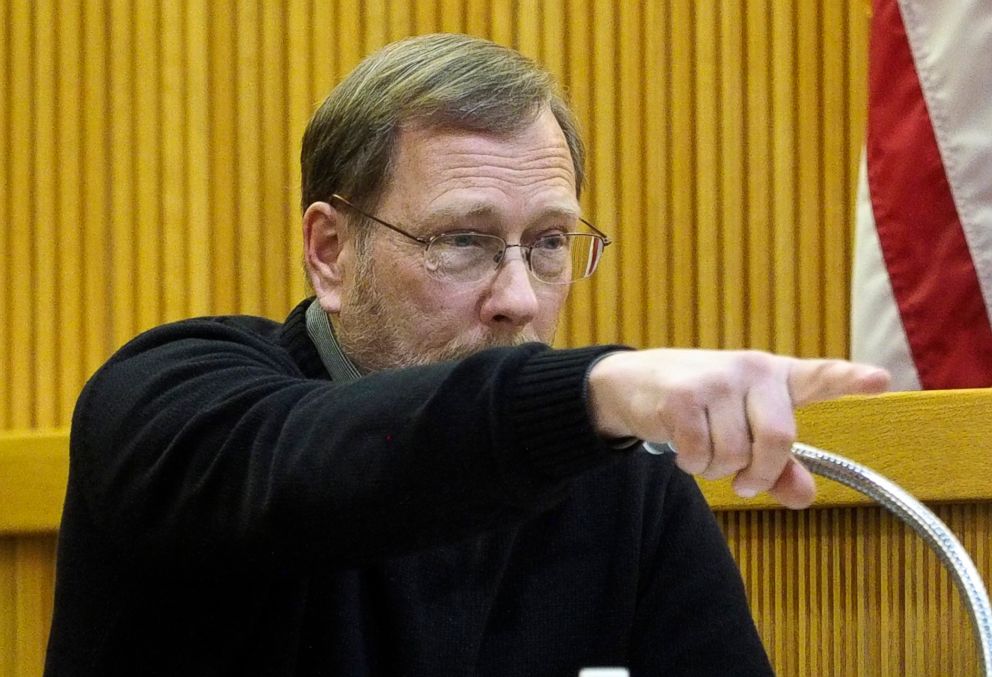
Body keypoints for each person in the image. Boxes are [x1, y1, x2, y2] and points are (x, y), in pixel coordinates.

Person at [45, 34, 888, 676]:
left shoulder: (625, 483)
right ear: (332, 251)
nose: (519, 296)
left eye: (549, 242)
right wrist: (592, 392)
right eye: (462, 240)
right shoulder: (164, 401)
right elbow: (321, 465)